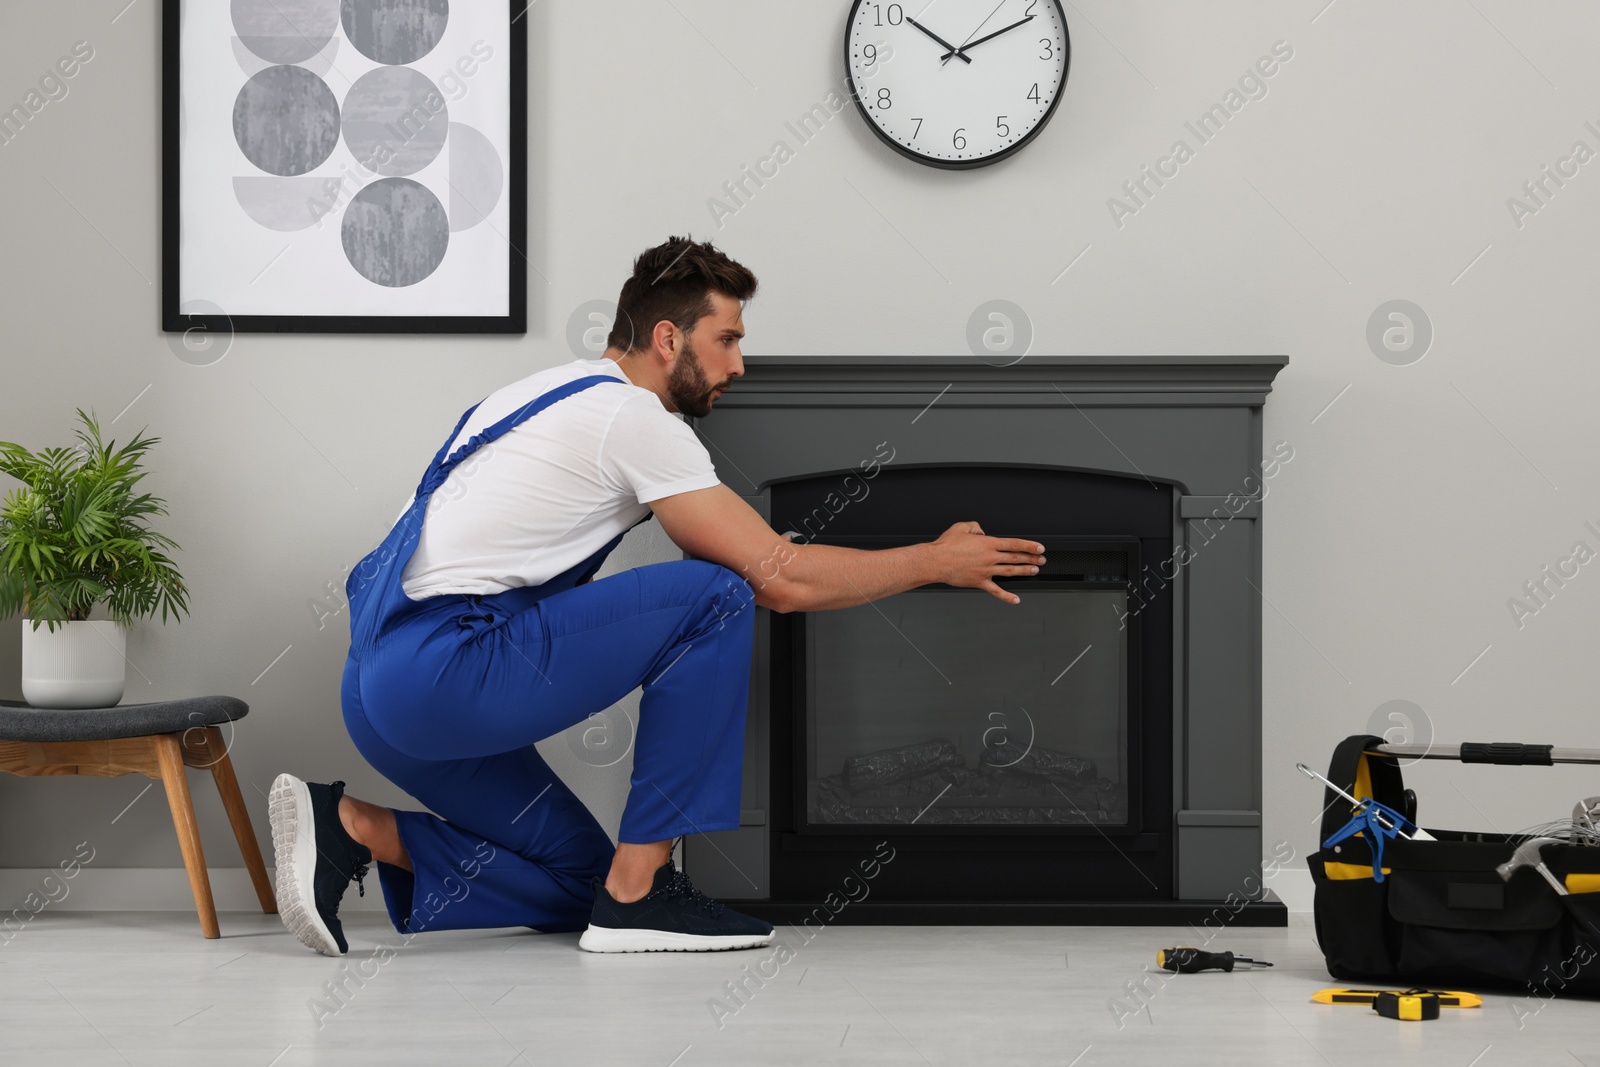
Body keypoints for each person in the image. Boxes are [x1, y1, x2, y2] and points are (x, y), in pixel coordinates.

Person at [268, 235, 1048, 956]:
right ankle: (644, 894)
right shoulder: (633, 416)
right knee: (716, 595)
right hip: (445, 667)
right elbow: (782, 579)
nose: (740, 365)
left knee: (588, 883)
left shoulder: (539, 392)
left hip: (380, 690)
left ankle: (356, 828)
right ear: (669, 339)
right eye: (729, 340)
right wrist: (933, 559)